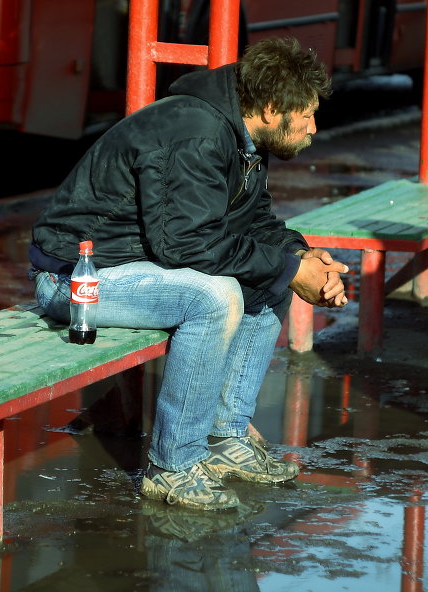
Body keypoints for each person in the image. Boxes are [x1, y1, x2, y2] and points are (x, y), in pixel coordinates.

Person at [28, 37, 349, 511]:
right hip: (77, 280)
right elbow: (186, 244)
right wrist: (287, 266)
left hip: (134, 269)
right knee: (216, 297)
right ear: (270, 106)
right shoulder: (197, 134)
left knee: (272, 277)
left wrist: (301, 259)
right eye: (305, 116)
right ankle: (173, 466)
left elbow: (255, 223)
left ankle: (223, 437)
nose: (313, 128)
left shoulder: (240, 135)